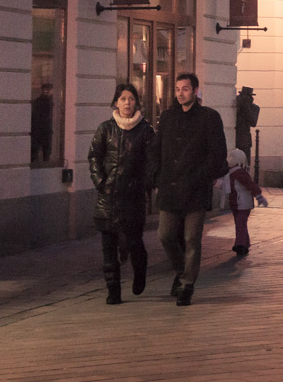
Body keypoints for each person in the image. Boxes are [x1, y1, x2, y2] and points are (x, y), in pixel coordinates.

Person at [149, 72, 229, 307]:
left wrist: (200, 176)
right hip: (170, 188)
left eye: (185, 89)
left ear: (195, 91)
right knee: (166, 235)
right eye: (177, 89)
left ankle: (187, 285)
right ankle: (180, 271)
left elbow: (217, 154)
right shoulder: (167, 117)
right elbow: (156, 149)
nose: (180, 93)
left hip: (194, 189)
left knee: (192, 238)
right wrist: (157, 176)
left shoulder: (209, 117)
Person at [87, 83, 155, 305]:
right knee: (109, 247)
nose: (127, 103)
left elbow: (152, 162)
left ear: (137, 102)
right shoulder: (105, 129)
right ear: (116, 102)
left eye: (131, 99)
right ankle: (113, 290)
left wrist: (143, 184)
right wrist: (101, 182)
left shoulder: (145, 131)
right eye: (123, 98)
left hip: (133, 198)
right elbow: (94, 156)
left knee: (135, 242)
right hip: (108, 197)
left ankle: (140, 272)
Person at [218, 149, 268, 256]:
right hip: (237, 203)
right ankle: (245, 243)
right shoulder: (232, 172)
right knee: (240, 224)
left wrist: (259, 196)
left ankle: (240, 245)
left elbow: (250, 185)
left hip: (242, 203)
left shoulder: (238, 173)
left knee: (240, 223)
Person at [234, 86, 260, 159]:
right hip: (235, 136)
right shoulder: (237, 106)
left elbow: (253, 122)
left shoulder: (254, 108)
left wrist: (246, 107)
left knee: (245, 161)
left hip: (245, 138)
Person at [31, 83, 54, 163]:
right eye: (46, 90)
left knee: (45, 151)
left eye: (49, 90)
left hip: (44, 130)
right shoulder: (40, 101)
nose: (47, 92)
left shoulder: (50, 101)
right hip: (40, 130)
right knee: (38, 150)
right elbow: (37, 116)